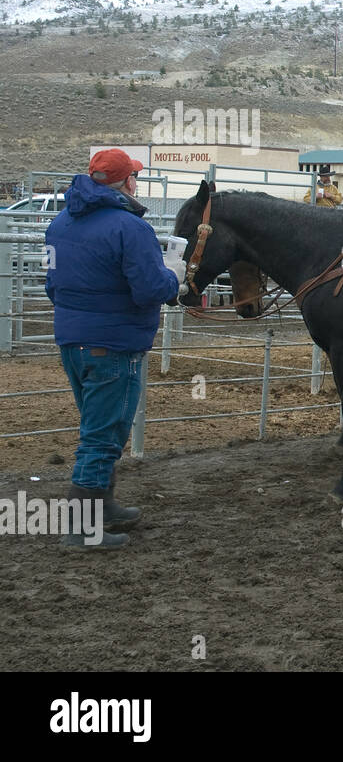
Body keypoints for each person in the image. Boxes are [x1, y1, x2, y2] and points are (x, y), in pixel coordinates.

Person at [44, 148, 185, 549]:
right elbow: (149, 291)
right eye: (134, 177)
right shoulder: (130, 228)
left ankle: (103, 509)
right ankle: (83, 529)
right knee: (103, 436)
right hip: (114, 344)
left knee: (96, 427)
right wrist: (172, 278)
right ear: (127, 182)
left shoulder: (59, 224)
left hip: (73, 341)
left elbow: (53, 287)